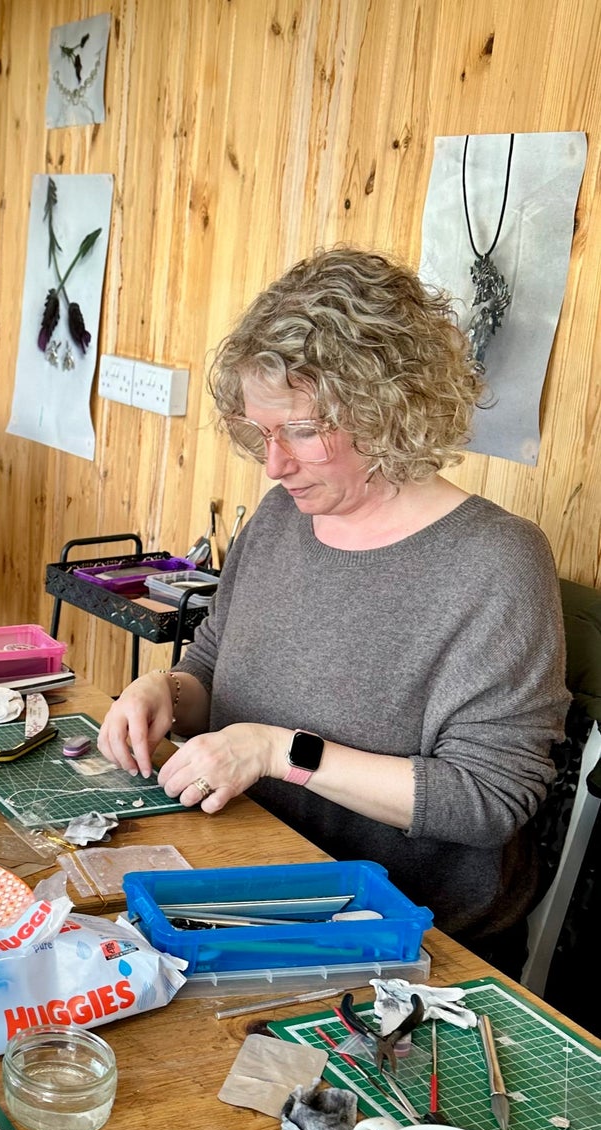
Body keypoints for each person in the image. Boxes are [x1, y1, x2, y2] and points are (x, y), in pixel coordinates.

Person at [99, 248, 568, 966]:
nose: (274, 463)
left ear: (390, 410)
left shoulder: (494, 563)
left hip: (402, 936)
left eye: (303, 431)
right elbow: (213, 669)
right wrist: (160, 690)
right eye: (261, 432)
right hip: (245, 880)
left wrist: (279, 751)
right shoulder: (282, 516)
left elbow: (485, 799)